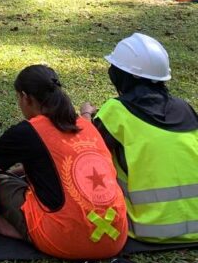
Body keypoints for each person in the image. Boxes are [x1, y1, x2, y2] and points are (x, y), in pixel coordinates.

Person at [0, 65, 127, 260]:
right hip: (115, 238)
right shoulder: (86, 126)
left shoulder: (28, 131)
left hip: (65, 240)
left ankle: (27, 232)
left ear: (25, 97)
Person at [79, 34, 198, 244]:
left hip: (148, 229)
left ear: (123, 76)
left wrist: (85, 115)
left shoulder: (116, 111)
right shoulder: (185, 109)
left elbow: (84, 150)